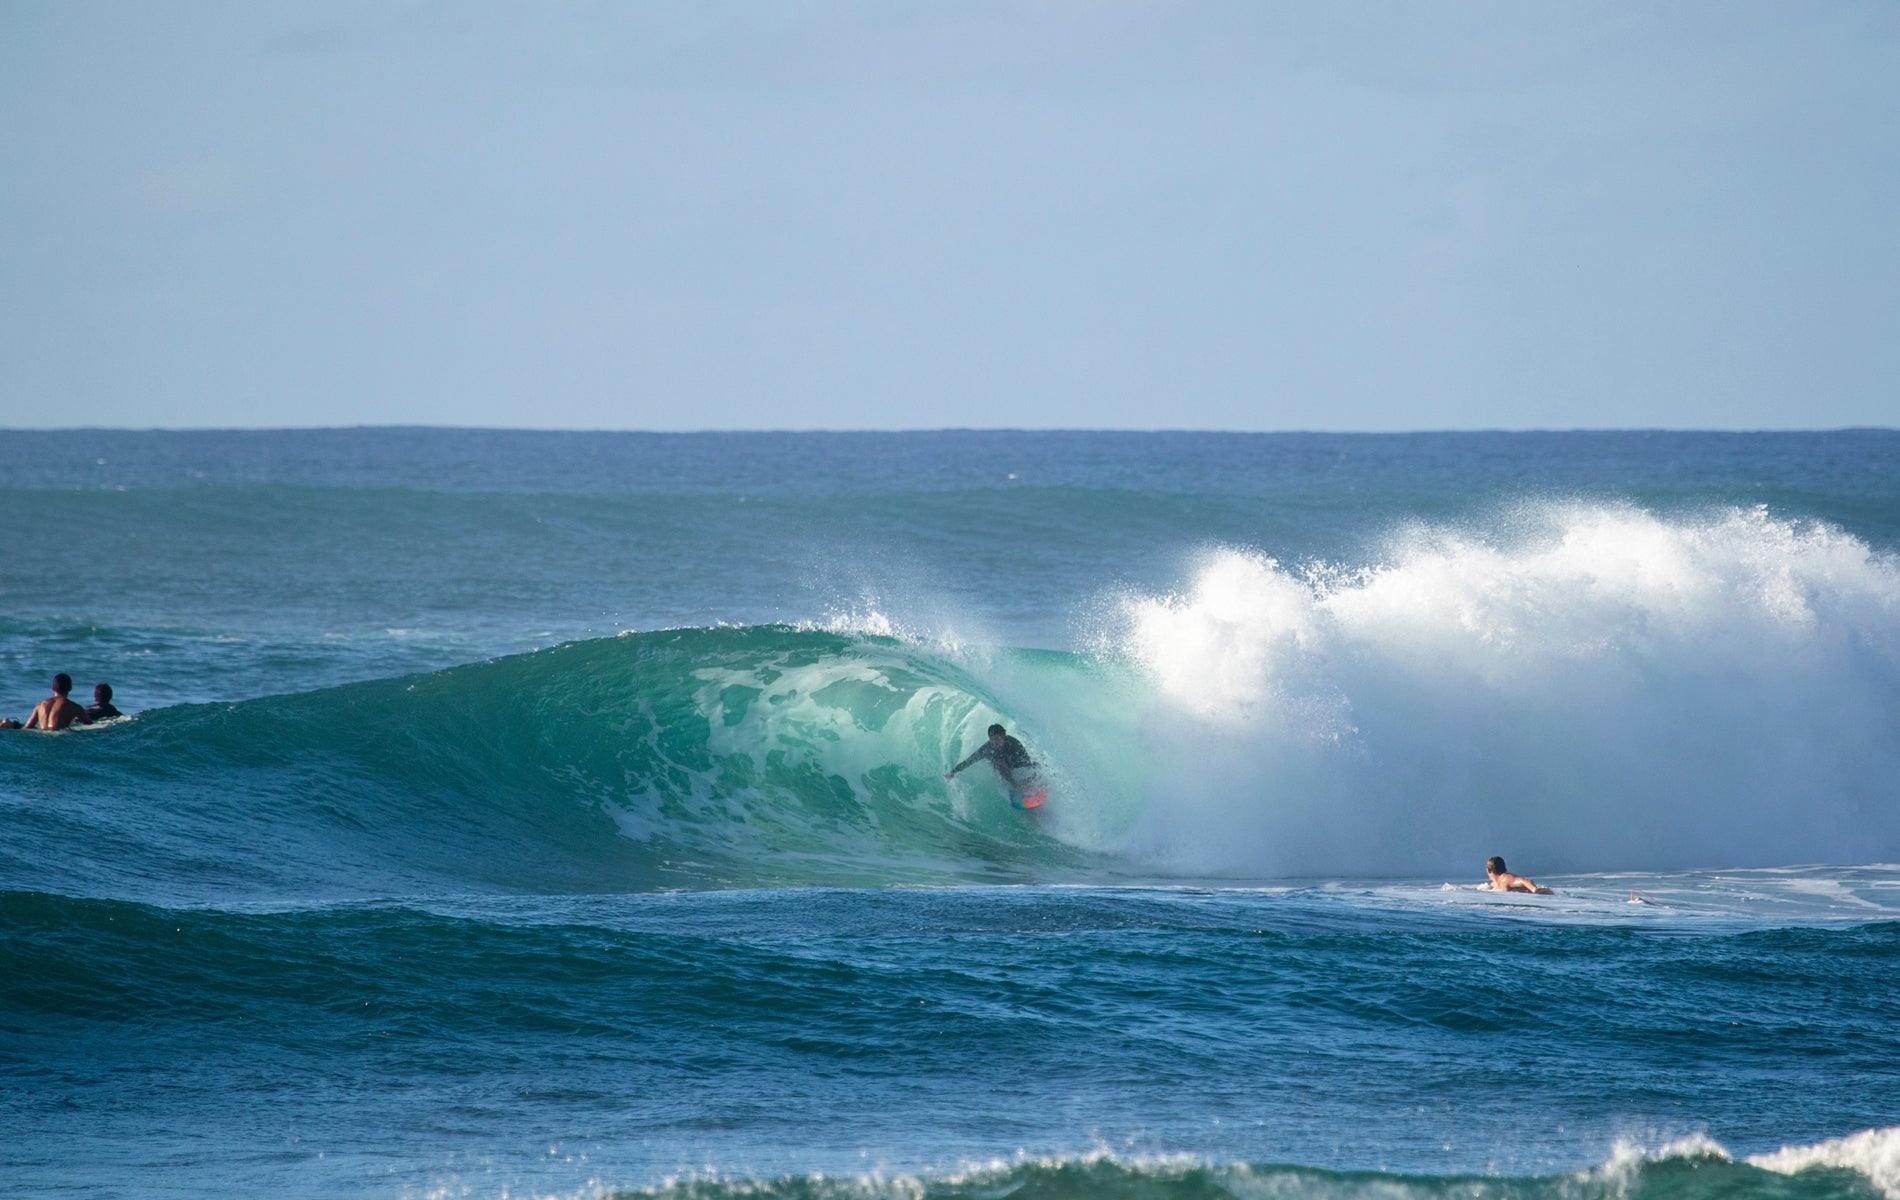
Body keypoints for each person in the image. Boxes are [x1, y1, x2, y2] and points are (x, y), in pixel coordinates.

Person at [945, 723, 1047, 809]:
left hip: (1017, 764)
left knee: (1033, 767)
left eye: (997, 738)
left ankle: (1038, 782)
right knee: (999, 762)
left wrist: (1029, 780)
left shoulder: (1013, 743)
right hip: (1004, 770)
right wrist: (953, 771)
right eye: (992, 739)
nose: (994, 742)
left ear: (1003, 736)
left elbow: (1026, 763)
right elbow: (970, 760)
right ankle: (1015, 786)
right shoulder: (987, 748)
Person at [17, 674, 90, 731]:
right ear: (70, 688)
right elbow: (89, 726)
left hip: (42, 734)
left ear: (52, 688)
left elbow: (27, 727)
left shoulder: (40, 705)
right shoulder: (74, 707)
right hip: (58, 735)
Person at [1483, 856, 1553, 895]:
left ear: (1488, 870)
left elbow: (1523, 881)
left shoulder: (1506, 878)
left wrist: (1534, 889)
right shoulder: (1493, 884)